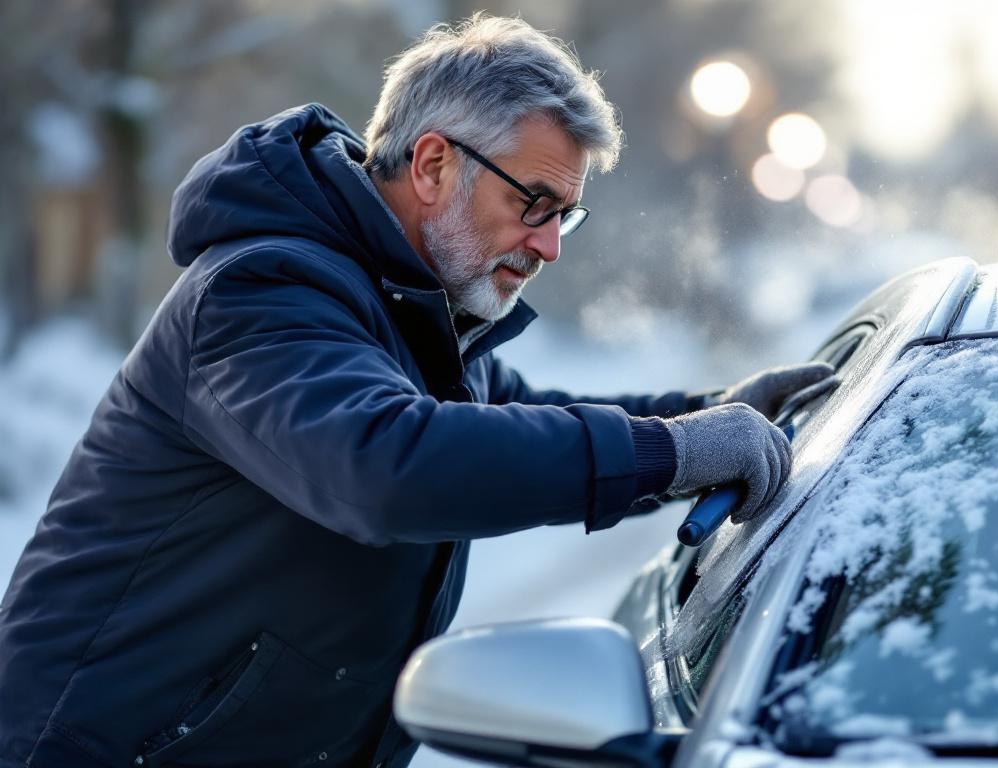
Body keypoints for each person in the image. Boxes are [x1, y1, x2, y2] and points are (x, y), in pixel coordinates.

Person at [0, 14, 834, 768]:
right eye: (533, 202)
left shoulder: (414, 311)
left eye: (564, 216)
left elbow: (524, 420)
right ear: (434, 163)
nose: (549, 246)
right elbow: (388, 465)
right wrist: (676, 452)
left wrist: (714, 416)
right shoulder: (261, 292)